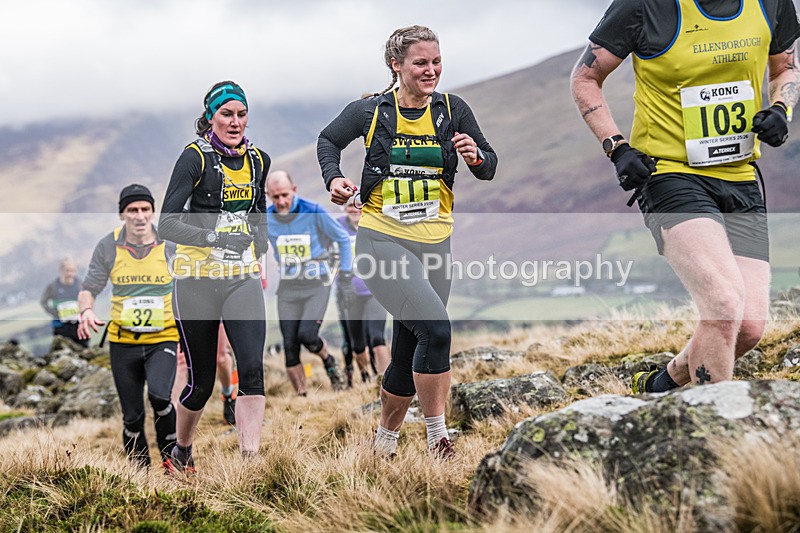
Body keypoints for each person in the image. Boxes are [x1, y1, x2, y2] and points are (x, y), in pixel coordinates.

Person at [571, 0, 800, 391]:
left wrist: (781, 108)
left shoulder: (770, 3)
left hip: (740, 173)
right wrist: (617, 146)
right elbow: (584, 77)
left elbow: (785, 66)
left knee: (748, 327)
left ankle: (663, 383)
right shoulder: (645, 7)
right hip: (669, 174)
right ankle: (715, 432)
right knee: (724, 304)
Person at [317, 25, 498, 458]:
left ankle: (384, 445)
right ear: (396, 65)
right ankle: (438, 437)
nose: (431, 70)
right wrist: (335, 178)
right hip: (382, 241)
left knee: (409, 347)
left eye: (436, 61)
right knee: (436, 330)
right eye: (421, 62)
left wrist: (475, 156)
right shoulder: (370, 111)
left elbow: (489, 165)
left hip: (436, 242)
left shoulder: (454, 109)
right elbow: (328, 140)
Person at [159, 80, 270, 469]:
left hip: (241, 278)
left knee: (252, 370)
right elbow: (167, 224)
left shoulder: (259, 160)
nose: (235, 122)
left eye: (241, 114)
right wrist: (212, 236)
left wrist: (260, 247)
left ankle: (250, 461)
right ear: (210, 117)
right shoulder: (194, 158)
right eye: (226, 114)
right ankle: (182, 450)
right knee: (201, 384)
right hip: (195, 281)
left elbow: (259, 212)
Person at [77, 184, 178, 472]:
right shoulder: (108, 246)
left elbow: (193, 282)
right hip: (123, 343)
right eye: (132, 210)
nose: (139, 216)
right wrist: (85, 310)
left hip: (164, 338)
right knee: (132, 416)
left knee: (160, 397)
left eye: (145, 209)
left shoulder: (170, 244)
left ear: (152, 211)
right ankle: (140, 473)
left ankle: (173, 461)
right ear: (122, 214)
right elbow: (89, 287)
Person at [265, 170, 354, 395]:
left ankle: (328, 359)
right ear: (268, 195)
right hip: (288, 287)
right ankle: (303, 399)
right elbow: (254, 245)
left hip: (316, 284)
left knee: (307, 335)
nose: (281, 201)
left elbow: (342, 238)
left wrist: (344, 275)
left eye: (285, 195)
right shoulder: (265, 218)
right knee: (289, 345)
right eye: (275, 197)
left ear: (294, 190)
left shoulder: (313, 211)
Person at [336, 199, 391, 385]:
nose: (354, 209)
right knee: (357, 344)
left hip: (375, 291)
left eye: (358, 205)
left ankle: (388, 381)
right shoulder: (337, 228)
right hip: (350, 294)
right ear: (344, 208)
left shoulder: (376, 225)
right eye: (350, 206)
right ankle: (367, 379)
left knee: (377, 337)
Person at [172, 322, 239, 426]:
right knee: (181, 361)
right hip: (186, 310)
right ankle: (176, 418)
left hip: (215, 310)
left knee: (220, 358)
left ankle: (228, 395)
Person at [40, 258, 88, 347]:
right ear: (61, 271)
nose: (70, 274)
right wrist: (55, 312)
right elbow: (43, 302)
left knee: (83, 351)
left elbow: (88, 301)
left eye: (73, 271)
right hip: (60, 326)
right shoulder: (53, 286)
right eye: (67, 271)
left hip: (78, 325)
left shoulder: (80, 285)